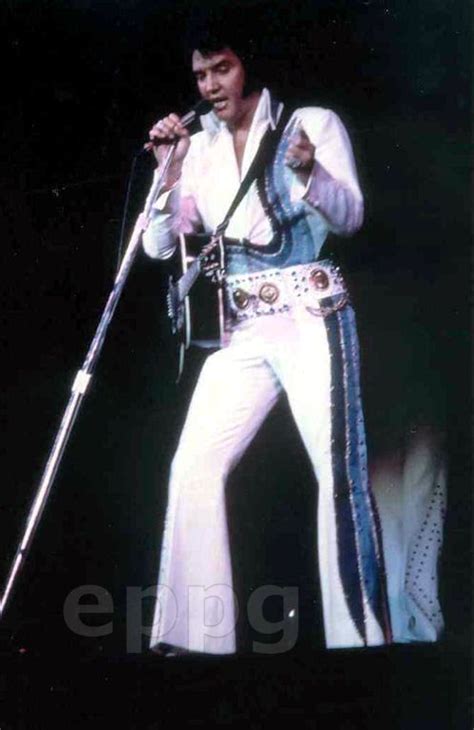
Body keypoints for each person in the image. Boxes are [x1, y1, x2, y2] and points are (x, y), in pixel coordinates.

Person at [141, 22, 393, 655]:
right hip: (241, 326)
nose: (209, 85)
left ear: (246, 67)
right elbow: (155, 246)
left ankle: (362, 642)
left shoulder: (309, 122)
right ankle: (196, 640)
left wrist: (309, 174)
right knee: (193, 464)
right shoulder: (194, 148)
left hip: (311, 311)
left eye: (220, 69)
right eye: (200, 75)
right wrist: (167, 179)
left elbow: (353, 215)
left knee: (336, 472)